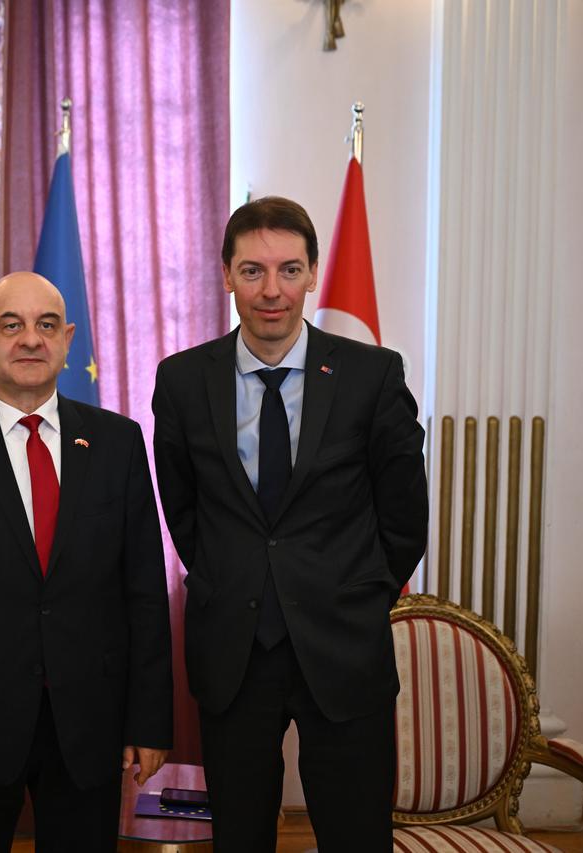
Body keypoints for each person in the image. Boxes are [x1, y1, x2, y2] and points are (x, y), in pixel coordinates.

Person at [151, 196, 428, 852]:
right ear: (225, 275)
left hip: (343, 643)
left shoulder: (372, 374)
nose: (271, 290)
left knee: (356, 833)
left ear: (312, 271)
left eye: (288, 269)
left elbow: (405, 515)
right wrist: (230, 576)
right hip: (233, 649)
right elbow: (184, 512)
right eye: (252, 271)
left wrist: (359, 594)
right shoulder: (184, 380)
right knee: (240, 835)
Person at [0, 271, 173, 853]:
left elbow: (143, 591)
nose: (30, 340)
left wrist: (148, 722)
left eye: (46, 326)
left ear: (68, 339)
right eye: (11, 325)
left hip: (89, 724)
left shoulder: (118, 443)